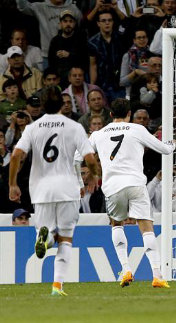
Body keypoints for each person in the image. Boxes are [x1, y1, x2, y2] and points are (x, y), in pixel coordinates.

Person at [9, 86, 100, 296]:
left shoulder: (33, 127)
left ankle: (46, 238)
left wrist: (13, 184)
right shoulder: (74, 126)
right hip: (68, 188)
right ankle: (57, 286)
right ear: (61, 104)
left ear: (41, 105)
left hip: (41, 189)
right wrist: (94, 175)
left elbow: (15, 156)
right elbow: (90, 159)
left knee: (49, 233)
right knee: (66, 237)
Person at [88, 98, 174, 288]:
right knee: (146, 227)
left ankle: (126, 269)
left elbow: (79, 156)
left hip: (112, 186)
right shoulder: (137, 129)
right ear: (129, 115)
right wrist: (172, 144)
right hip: (135, 184)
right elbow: (164, 149)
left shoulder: (98, 134)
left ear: (110, 115)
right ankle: (157, 275)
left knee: (116, 224)